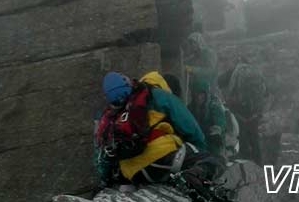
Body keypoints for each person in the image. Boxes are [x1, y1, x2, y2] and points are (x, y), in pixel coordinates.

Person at [94, 71, 224, 190]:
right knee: (212, 161)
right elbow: (190, 126)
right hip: (160, 159)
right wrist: (201, 150)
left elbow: (102, 151)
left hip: (130, 172)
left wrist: (105, 181)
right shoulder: (158, 95)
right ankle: (194, 183)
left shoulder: (114, 113)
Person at [223, 62, 267, 165]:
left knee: (241, 132)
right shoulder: (255, 73)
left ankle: (245, 155)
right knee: (254, 136)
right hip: (254, 110)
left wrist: (229, 104)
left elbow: (227, 86)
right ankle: (258, 161)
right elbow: (266, 92)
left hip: (241, 110)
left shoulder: (236, 72)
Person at [188, 78, 227, 159]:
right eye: (196, 94)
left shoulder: (214, 107)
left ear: (206, 94)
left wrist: (217, 131)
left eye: (201, 94)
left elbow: (219, 124)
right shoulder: (190, 108)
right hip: (196, 146)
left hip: (212, 147)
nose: (199, 97)